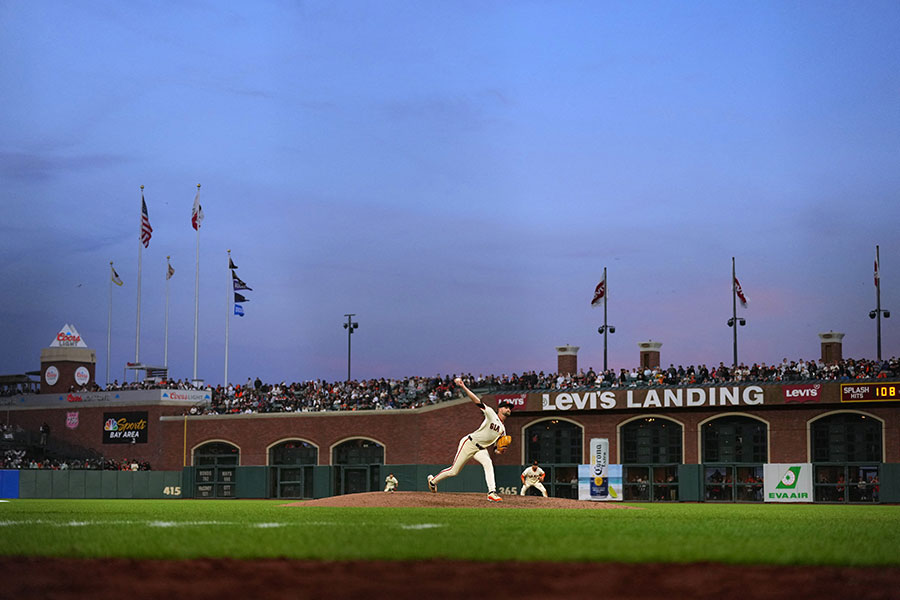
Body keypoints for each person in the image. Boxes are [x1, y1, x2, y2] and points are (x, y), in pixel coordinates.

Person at [427, 377, 511, 502]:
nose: (508, 409)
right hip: (469, 443)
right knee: (454, 471)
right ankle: (433, 481)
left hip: (481, 449)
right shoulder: (491, 414)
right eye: (506, 407)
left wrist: (500, 451)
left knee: (488, 463)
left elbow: (495, 449)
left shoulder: (503, 431)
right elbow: (477, 401)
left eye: (510, 408)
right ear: (500, 409)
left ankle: (492, 492)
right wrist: (463, 386)